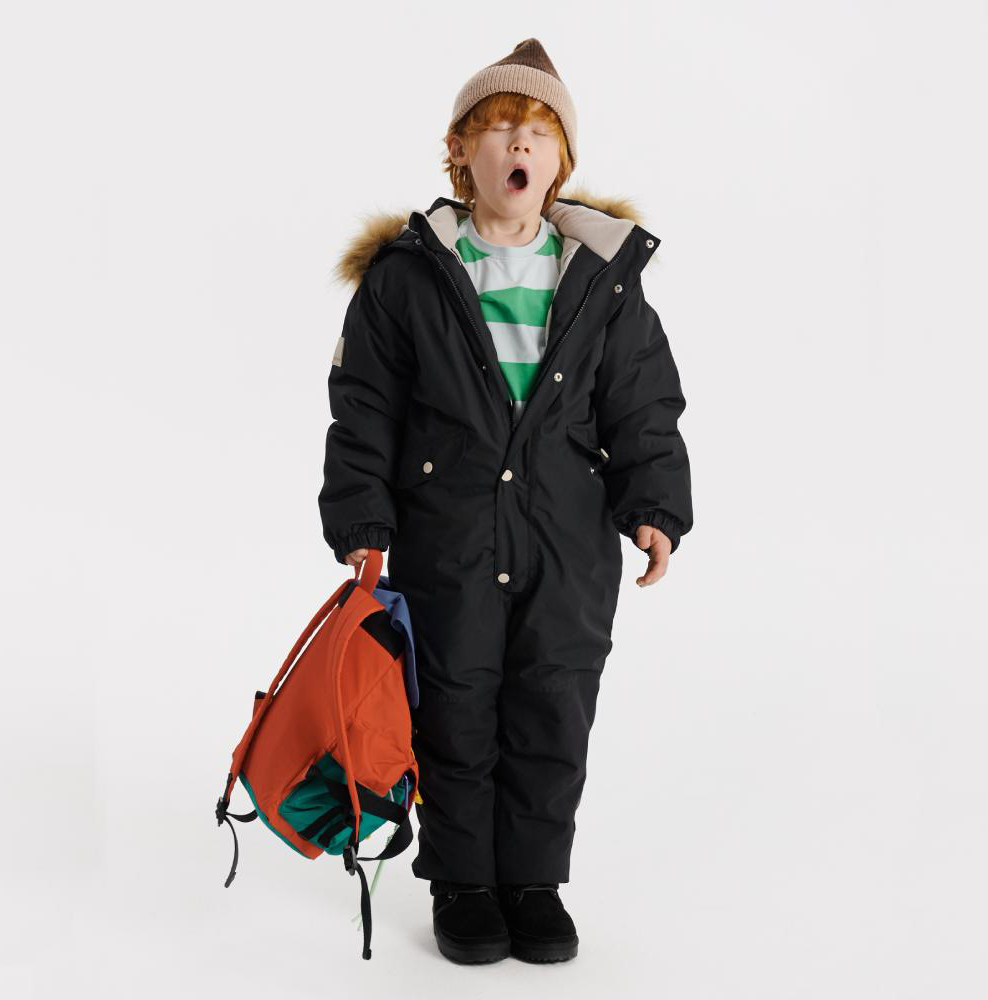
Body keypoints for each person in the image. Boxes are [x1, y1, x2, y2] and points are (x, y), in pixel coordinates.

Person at [318, 37, 693, 965]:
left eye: (538, 132)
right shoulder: (410, 277)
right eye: (496, 129)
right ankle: (462, 883)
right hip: (448, 529)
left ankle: (532, 880)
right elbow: (364, 407)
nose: (518, 144)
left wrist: (653, 504)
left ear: (562, 161)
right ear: (460, 153)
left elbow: (642, 401)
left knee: (553, 703)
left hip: (567, 535)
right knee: (454, 702)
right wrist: (363, 522)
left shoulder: (601, 278)